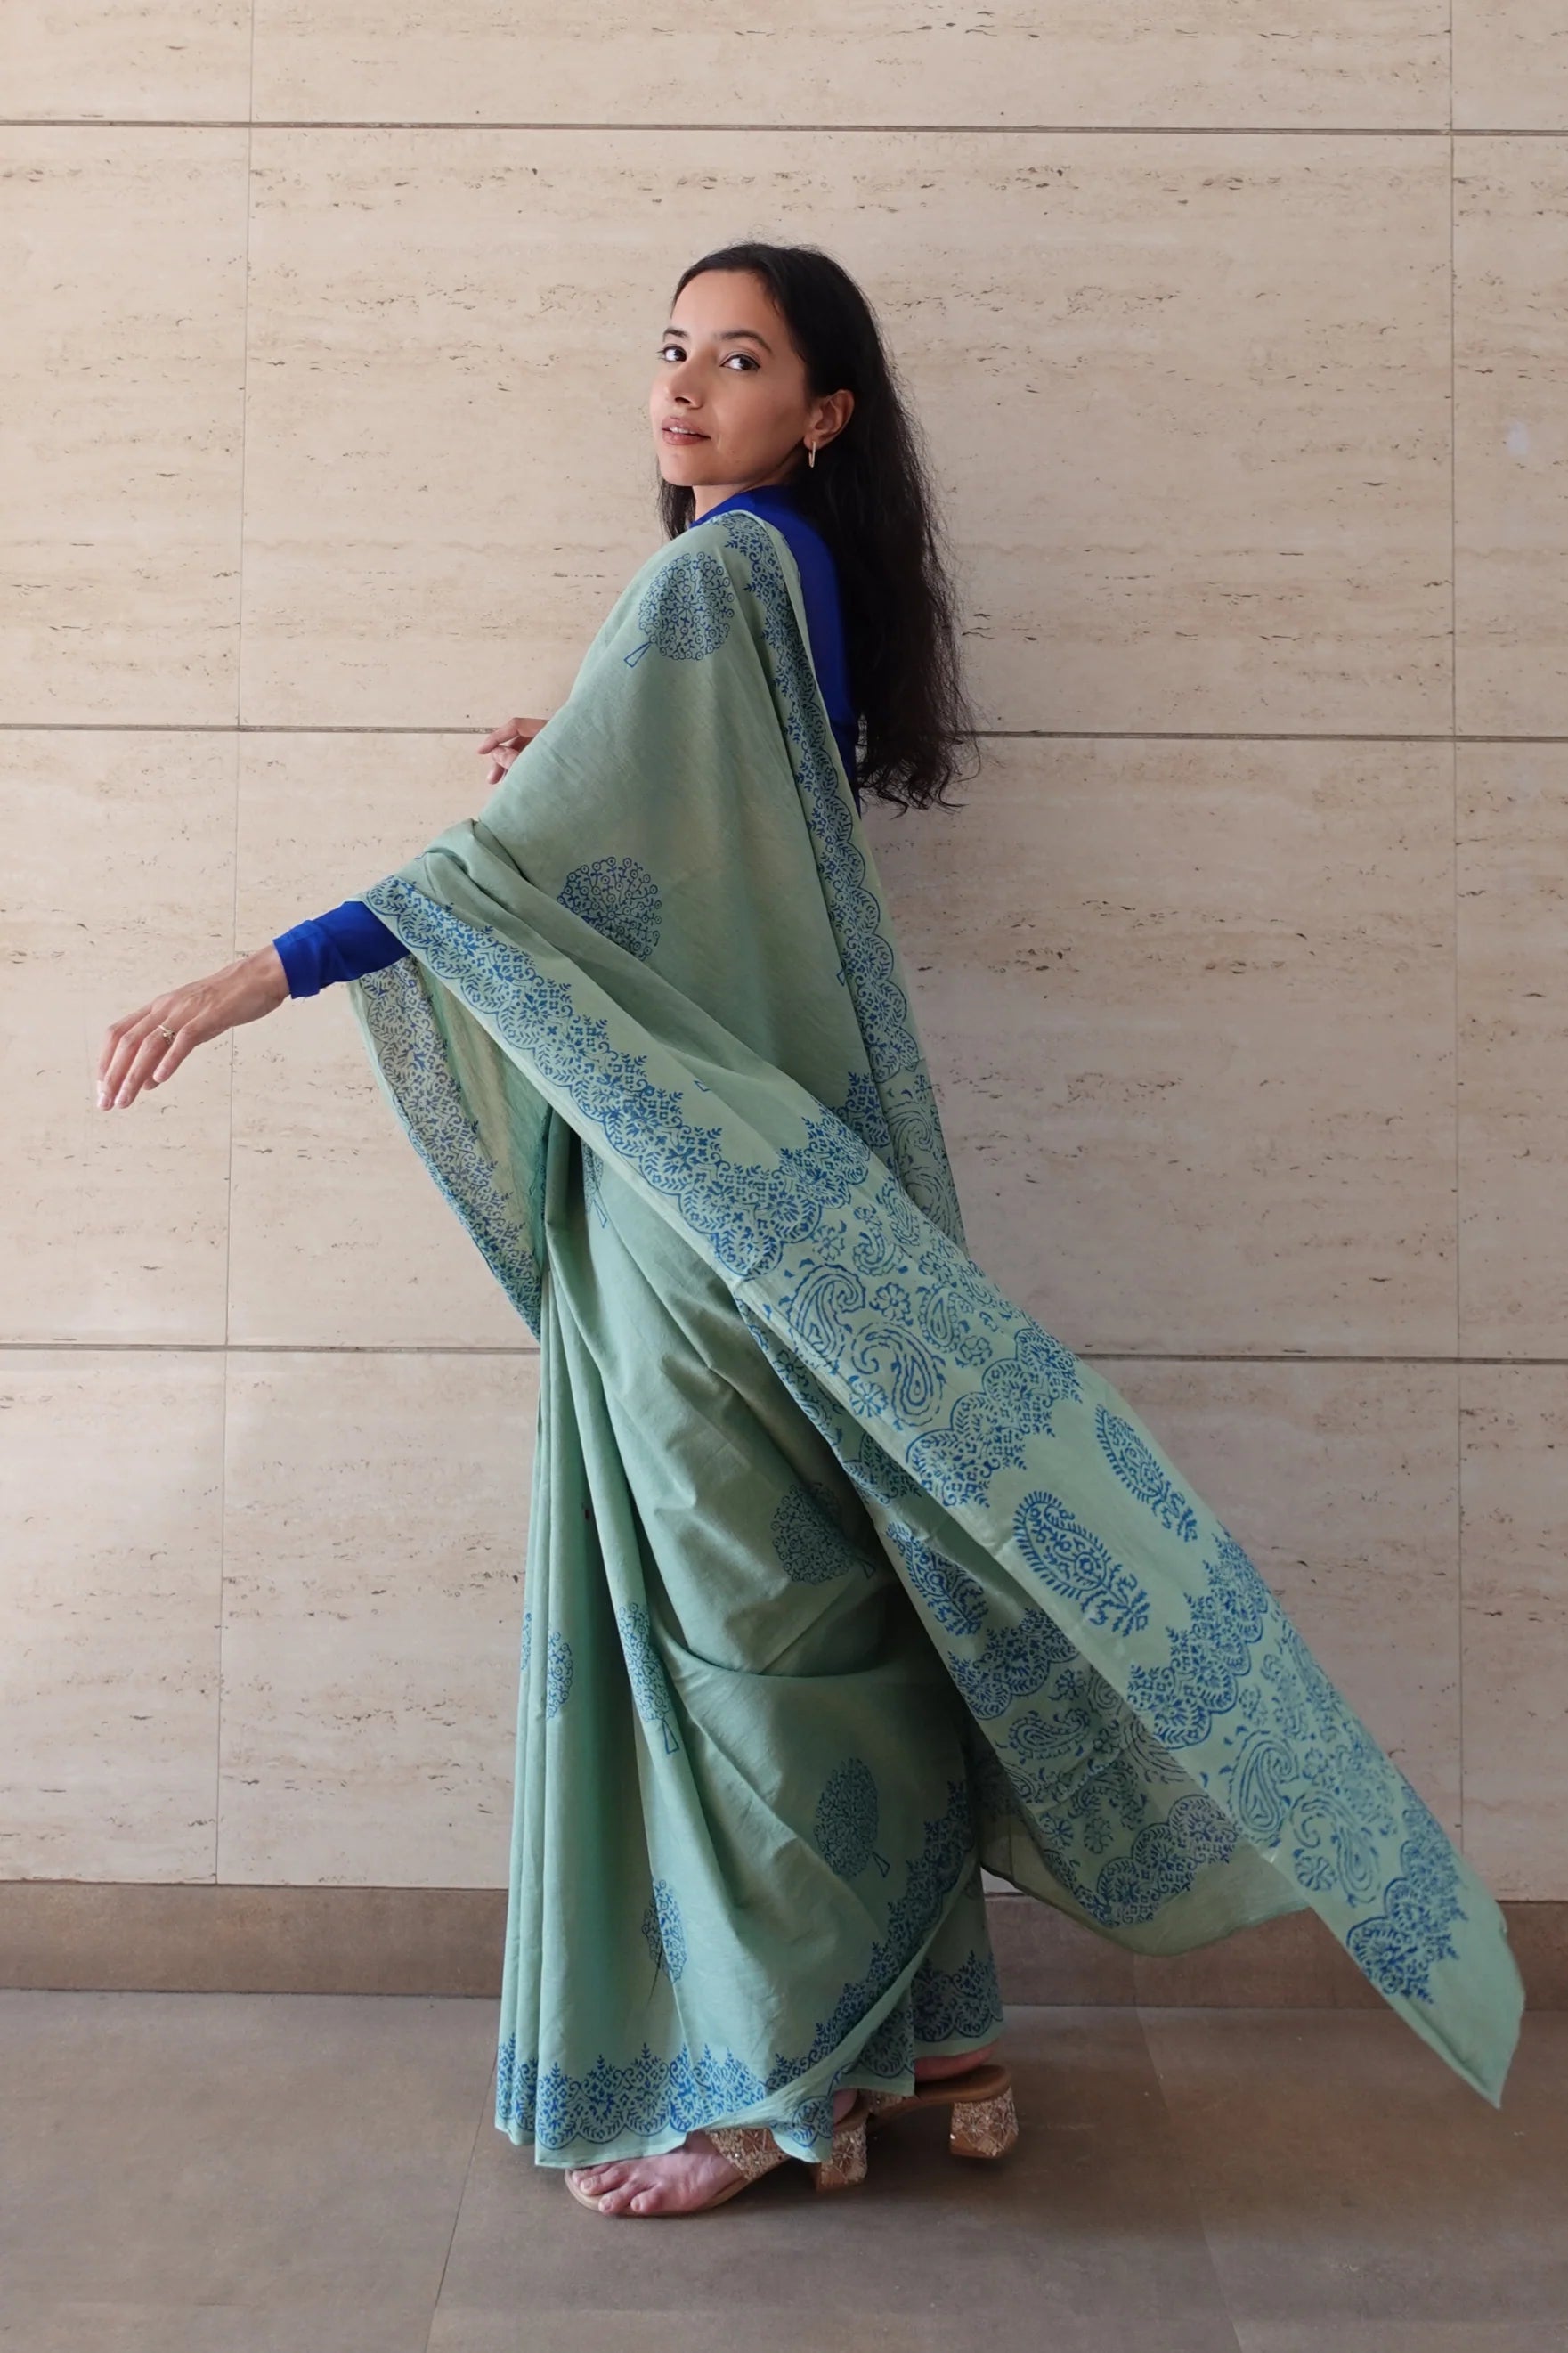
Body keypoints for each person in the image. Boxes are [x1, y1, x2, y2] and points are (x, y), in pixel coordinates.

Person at [97, 241, 1524, 2220]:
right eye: (671, 349)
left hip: (690, 1210)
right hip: (789, 1171)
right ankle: (914, 2044)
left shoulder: (707, 583)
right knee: (824, 1594)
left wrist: (254, 972)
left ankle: (764, 2094)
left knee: (732, 1628)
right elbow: (684, 846)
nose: (684, 386)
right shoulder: (791, 583)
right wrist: (579, 744)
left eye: (740, 359)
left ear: (821, 411)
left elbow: (491, 881)